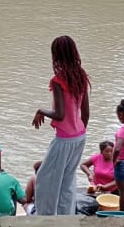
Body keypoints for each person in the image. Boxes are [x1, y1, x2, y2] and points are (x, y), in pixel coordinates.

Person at [32, 35, 91, 215]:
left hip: (64, 140)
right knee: (67, 181)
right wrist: (79, 131)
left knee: (45, 180)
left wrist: (41, 110)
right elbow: (86, 113)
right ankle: (66, 218)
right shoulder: (80, 76)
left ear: (56, 56)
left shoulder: (58, 81)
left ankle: (47, 219)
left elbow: (59, 114)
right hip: (80, 136)